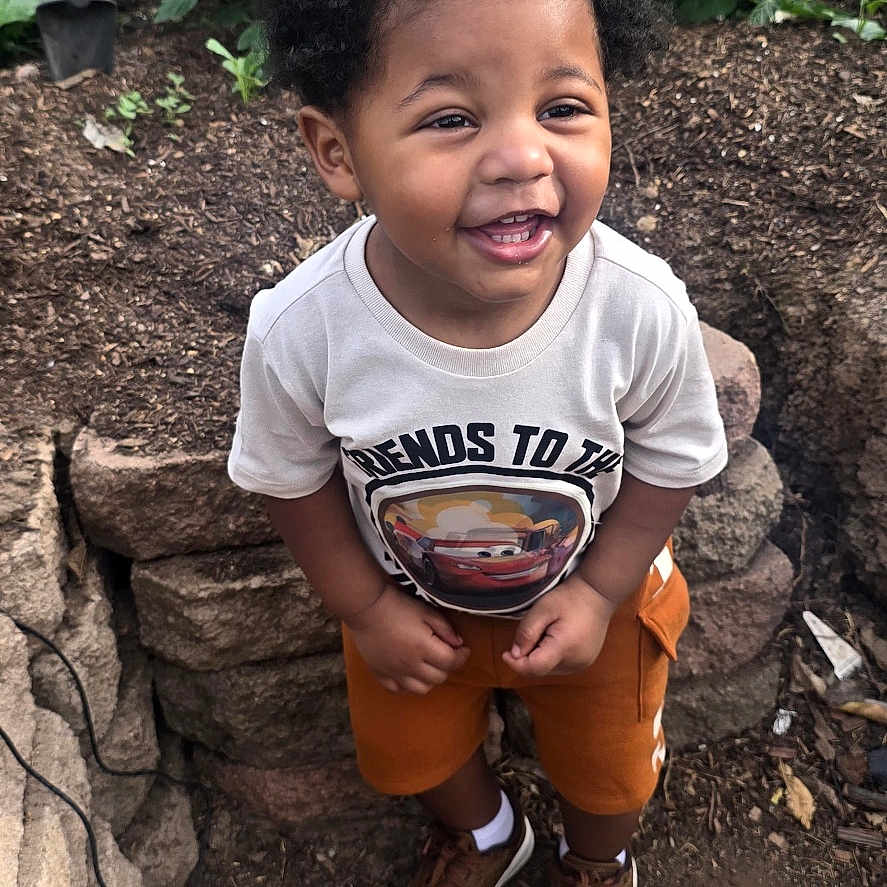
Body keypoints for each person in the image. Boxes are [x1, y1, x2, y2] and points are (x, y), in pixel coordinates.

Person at [228, 0, 728, 883]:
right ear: (336, 152)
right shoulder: (304, 330)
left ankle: (598, 859)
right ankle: (490, 835)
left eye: (562, 107)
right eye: (451, 119)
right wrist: (368, 610)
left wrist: (600, 590)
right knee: (411, 756)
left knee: (610, 768)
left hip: (600, 603)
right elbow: (287, 475)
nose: (524, 157)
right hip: (407, 608)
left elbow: (674, 455)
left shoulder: (637, 308)